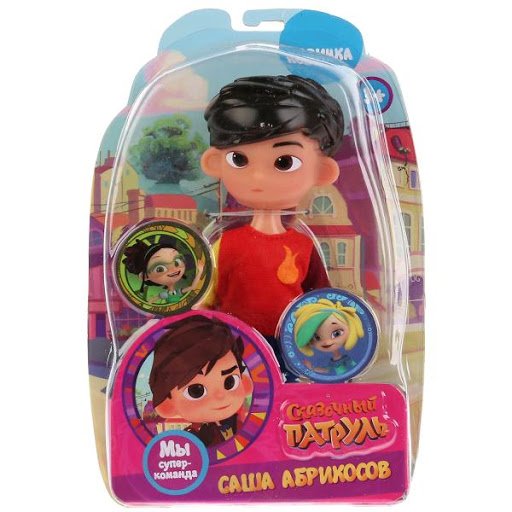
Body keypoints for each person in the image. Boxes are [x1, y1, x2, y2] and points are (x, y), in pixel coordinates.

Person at [200, 75, 344, 375]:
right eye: (239, 159)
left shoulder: (303, 245)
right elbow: (206, 295)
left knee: (287, 387)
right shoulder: (224, 243)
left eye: (284, 162)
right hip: (232, 340)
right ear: (214, 162)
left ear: (322, 171)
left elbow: (321, 298)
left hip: (291, 341)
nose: (259, 178)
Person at [148, 314, 253, 446]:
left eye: (230, 382)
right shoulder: (191, 439)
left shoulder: (240, 424)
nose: (219, 396)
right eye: (196, 391)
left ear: (244, 382)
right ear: (167, 404)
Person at [123, 237, 204, 304]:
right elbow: (152, 301)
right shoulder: (165, 294)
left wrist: (200, 271)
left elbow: (193, 287)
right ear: (144, 276)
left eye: (177, 262)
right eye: (160, 269)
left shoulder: (177, 292)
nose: (173, 269)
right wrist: (148, 307)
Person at [293, 299, 363, 375]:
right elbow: (326, 371)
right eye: (317, 337)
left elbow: (355, 368)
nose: (327, 342)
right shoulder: (332, 363)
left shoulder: (347, 359)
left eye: (336, 333)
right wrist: (311, 368)